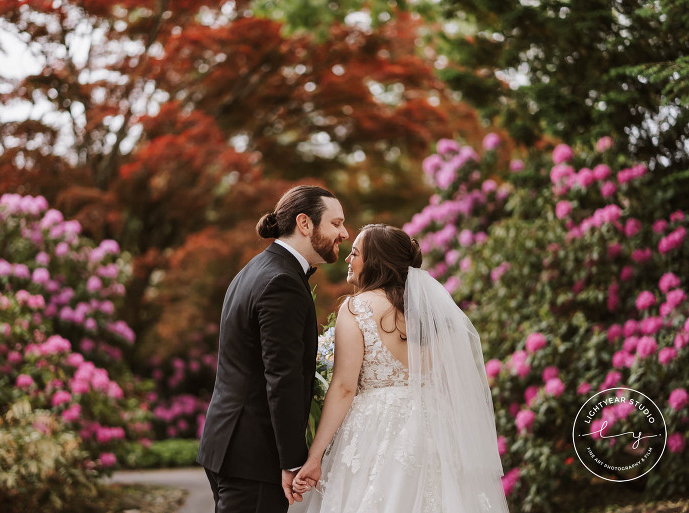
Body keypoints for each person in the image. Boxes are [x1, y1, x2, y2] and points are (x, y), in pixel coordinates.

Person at [291, 224, 509, 513]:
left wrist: (315, 456)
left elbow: (344, 388)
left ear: (375, 261)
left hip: (376, 432)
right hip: (436, 430)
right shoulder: (430, 316)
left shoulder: (357, 308)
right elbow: (450, 385)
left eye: (355, 253)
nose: (347, 259)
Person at [197, 185, 349, 513]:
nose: (345, 233)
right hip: (254, 455)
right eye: (336, 224)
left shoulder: (256, 269)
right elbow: (282, 377)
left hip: (231, 444)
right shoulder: (282, 282)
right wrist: (292, 460)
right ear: (304, 223)